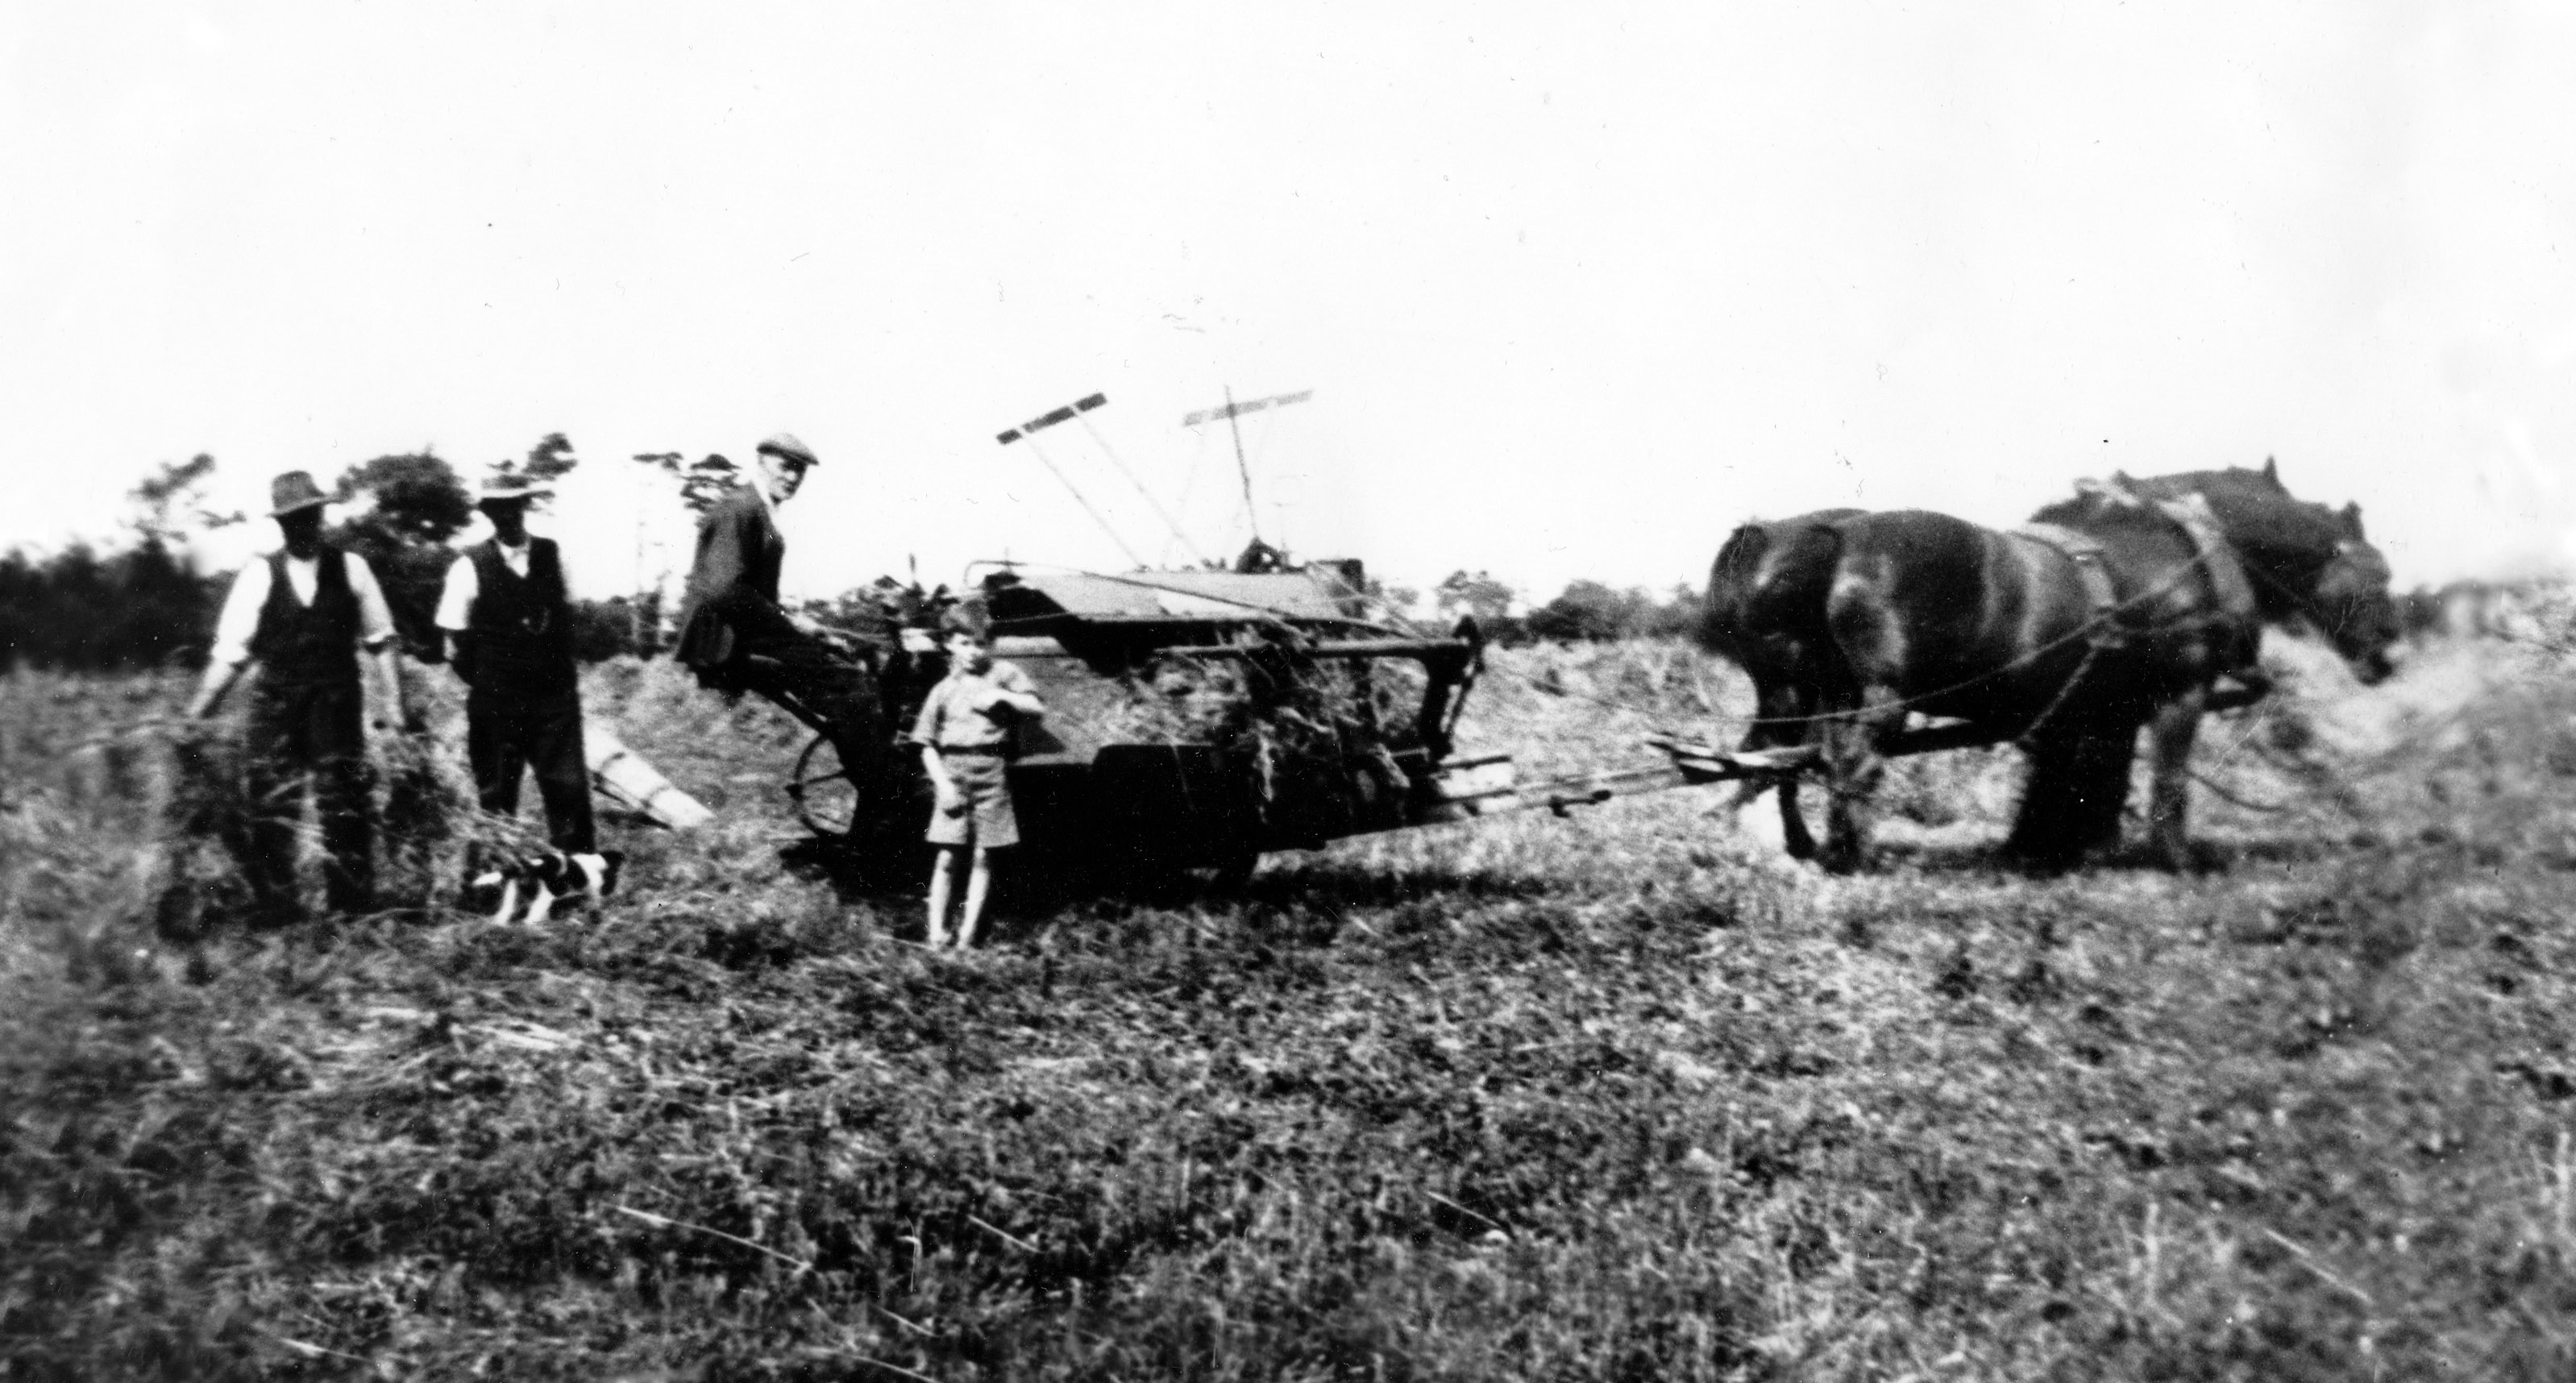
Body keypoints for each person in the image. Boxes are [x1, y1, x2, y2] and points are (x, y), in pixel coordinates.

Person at [188, 470, 410, 920]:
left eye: (310, 516)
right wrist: (194, 717)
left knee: (344, 801)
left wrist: (395, 705)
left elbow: (382, 640)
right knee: (272, 802)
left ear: (321, 516)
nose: (303, 526)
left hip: (336, 703)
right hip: (276, 706)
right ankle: (279, 906)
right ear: (281, 524)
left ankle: (352, 909)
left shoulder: (352, 568)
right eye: (293, 520)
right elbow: (231, 656)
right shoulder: (259, 574)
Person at [671, 433, 891, 799]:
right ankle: (883, 801)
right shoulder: (738, 509)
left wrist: (797, 621)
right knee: (855, 690)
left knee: (852, 680)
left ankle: (878, 791)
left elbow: (753, 593)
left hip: (744, 634)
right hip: (724, 643)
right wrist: (788, 626)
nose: (792, 478)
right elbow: (725, 590)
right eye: (785, 467)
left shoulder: (757, 509)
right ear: (760, 462)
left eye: (799, 472)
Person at [433, 473, 595, 853]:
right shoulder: (469, 566)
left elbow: (572, 620)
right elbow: (453, 647)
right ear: (487, 514)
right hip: (496, 702)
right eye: (497, 509)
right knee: (496, 797)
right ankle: (497, 876)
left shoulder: (554, 556)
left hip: (554, 700)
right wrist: (491, 680)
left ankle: (577, 875)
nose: (506, 516)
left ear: (524, 506)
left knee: (569, 790)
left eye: (512, 507)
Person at [911, 604, 1044, 948]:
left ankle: (968, 934)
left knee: (985, 857)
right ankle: (936, 932)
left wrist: (1002, 696)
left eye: (981, 644)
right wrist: (943, 786)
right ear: (950, 645)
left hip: (992, 772)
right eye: (965, 643)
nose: (974, 651)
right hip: (953, 775)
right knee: (947, 857)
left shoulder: (1003, 674)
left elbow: (1036, 707)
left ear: (991, 644)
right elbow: (925, 745)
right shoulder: (943, 689)